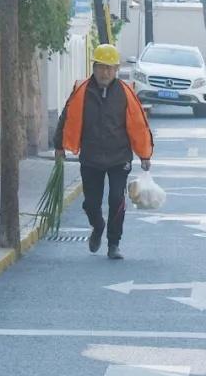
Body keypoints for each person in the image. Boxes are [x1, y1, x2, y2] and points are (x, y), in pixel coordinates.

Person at [54, 43, 153, 260]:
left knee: (117, 198)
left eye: (109, 68)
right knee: (91, 203)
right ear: (94, 67)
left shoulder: (126, 93)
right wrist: (59, 146)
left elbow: (139, 125)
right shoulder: (81, 91)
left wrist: (144, 154)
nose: (105, 72)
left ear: (116, 69)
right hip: (91, 156)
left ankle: (114, 244)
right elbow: (66, 118)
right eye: (101, 67)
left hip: (119, 157)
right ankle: (97, 226)